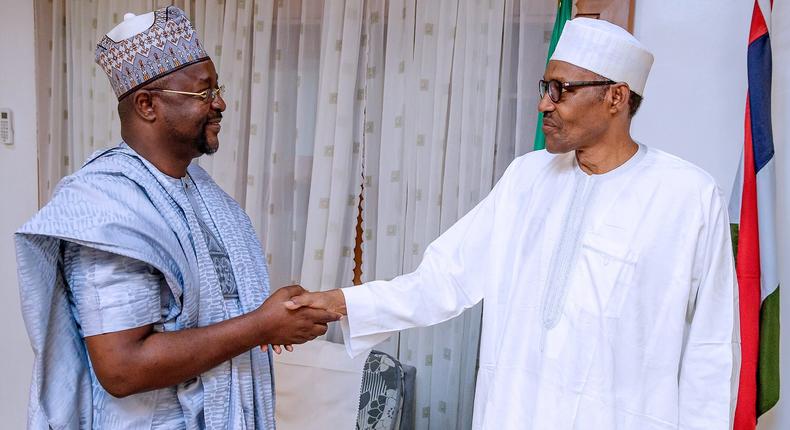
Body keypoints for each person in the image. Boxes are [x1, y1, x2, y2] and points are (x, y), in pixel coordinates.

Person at [287, 18, 740, 429]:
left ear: (615, 97)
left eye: (561, 89)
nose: (544, 103)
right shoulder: (526, 178)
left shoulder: (688, 196)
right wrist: (340, 303)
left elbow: (711, 349)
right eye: (545, 86)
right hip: (515, 413)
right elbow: (443, 280)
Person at [15, 6, 339, 429]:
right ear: (147, 105)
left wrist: (277, 315)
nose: (219, 103)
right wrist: (262, 325)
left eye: (216, 89)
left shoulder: (203, 194)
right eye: (203, 93)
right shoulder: (106, 205)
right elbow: (122, 367)